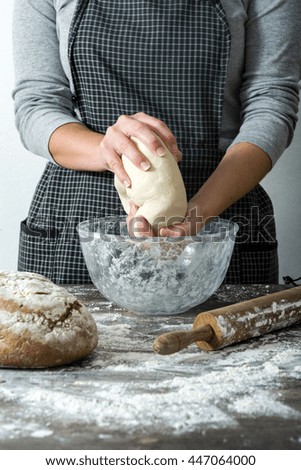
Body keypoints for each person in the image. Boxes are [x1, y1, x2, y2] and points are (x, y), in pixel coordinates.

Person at [13, 0, 301, 285]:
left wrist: (197, 214)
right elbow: (37, 104)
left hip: (219, 211)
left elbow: (271, 101)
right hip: (79, 217)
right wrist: (108, 151)